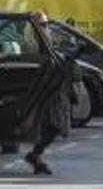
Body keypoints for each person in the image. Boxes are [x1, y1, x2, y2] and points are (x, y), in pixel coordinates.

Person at [23, 11, 73, 176]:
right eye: (42, 24)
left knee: (53, 125)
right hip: (41, 89)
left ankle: (35, 157)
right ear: (35, 26)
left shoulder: (45, 39)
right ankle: (35, 156)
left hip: (50, 87)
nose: (46, 27)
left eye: (46, 24)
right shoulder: (31, 41)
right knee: (53, 124)